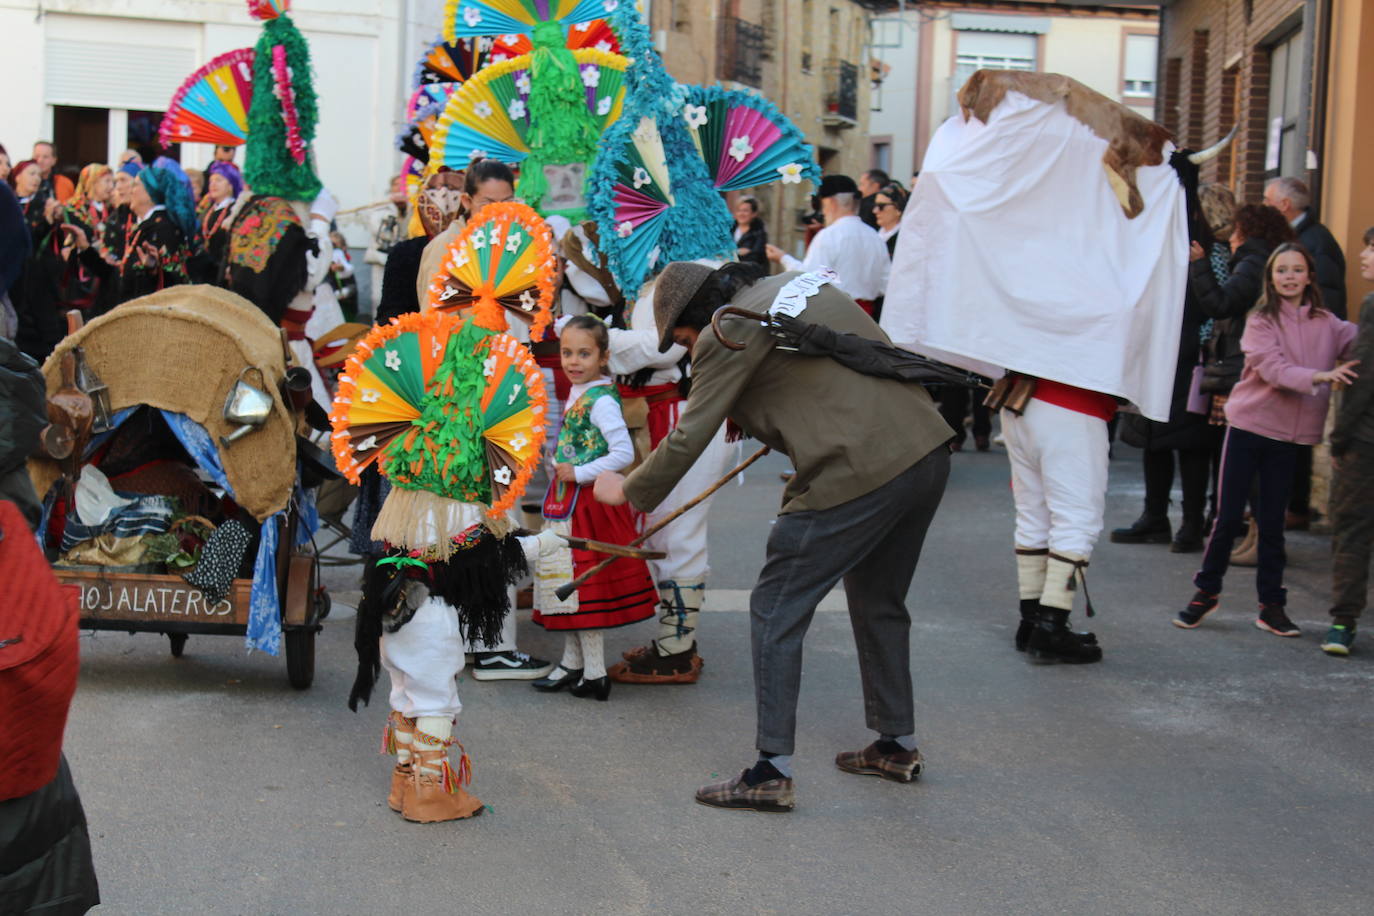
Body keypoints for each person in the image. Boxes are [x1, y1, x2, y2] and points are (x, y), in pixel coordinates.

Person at [594, 262, 953, 812]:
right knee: (879, 600)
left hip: (858, 469)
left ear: (695, 319)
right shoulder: (801, 288)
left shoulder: (727, 329)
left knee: (775, 608)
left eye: (684, 340)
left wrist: (628, 489)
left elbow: (691, 433)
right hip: (924, 451)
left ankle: (770, 771)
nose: (689, 352)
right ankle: (895, 744)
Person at [1174, 243, 1357, 636]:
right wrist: (1319, 377)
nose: (1289, 277)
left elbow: (1363, 345)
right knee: (1227, 518)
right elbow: (1273, 368)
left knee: (1273, 524)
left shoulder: (1329, 322)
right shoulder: (1260, 320)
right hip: (1249, 427)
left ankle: (1271, 606)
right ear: (1271, 278)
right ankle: (1205, 593)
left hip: (1290, 437)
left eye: (1297, 270)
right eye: (1281, 270)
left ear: (1309, 275)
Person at [532, 316, 657, 701]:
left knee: (583, 588)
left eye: (584, 353)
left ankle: (596, 673)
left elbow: (622, 454)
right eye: (567, 352)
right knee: (563, 585)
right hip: (568, 499)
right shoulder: (581, 390)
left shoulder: (601, 400)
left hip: (588, 505)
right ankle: (574, 664)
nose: (573, 361)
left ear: (604, 357)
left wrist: (580, 471)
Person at [1322, 227, 1374, 656]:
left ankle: (1343, 621)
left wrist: (1339, 440)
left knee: (1352, 529)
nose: (1364, 255)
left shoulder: (1373, 305)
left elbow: (1363, 378)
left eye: (1372, 248)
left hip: (1366, 441)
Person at [765, 175, 889, 316]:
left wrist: (783, 258)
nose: (822, 212)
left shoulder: (829, 235)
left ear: (831, 202)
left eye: (823, 205)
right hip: (868, 319)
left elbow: (809, 279)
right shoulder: (875, 237)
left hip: (835, 315)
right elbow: (885, 285)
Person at [1264, 177, 1346, 318]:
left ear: (1284, 204)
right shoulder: (1291, 236)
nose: (1263, 205)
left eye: (1267, 200)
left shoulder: (1316, 241)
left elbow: (1326, 294)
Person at [192, 160, 244, 284]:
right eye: (211, 181)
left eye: (219, 180)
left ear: (231, 184)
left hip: (221, 272)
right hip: (202, 272)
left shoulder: (235, 210)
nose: (213, 184)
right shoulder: (207, 208)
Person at [732, 195, 767, 270]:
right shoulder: (730, 229)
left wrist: (731, 253)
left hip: (748, 273)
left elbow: (756, 257)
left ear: (754, 214)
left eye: (745, 211)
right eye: (739, 210)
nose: (741, 214)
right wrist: (737, 252)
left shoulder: (759, 232)